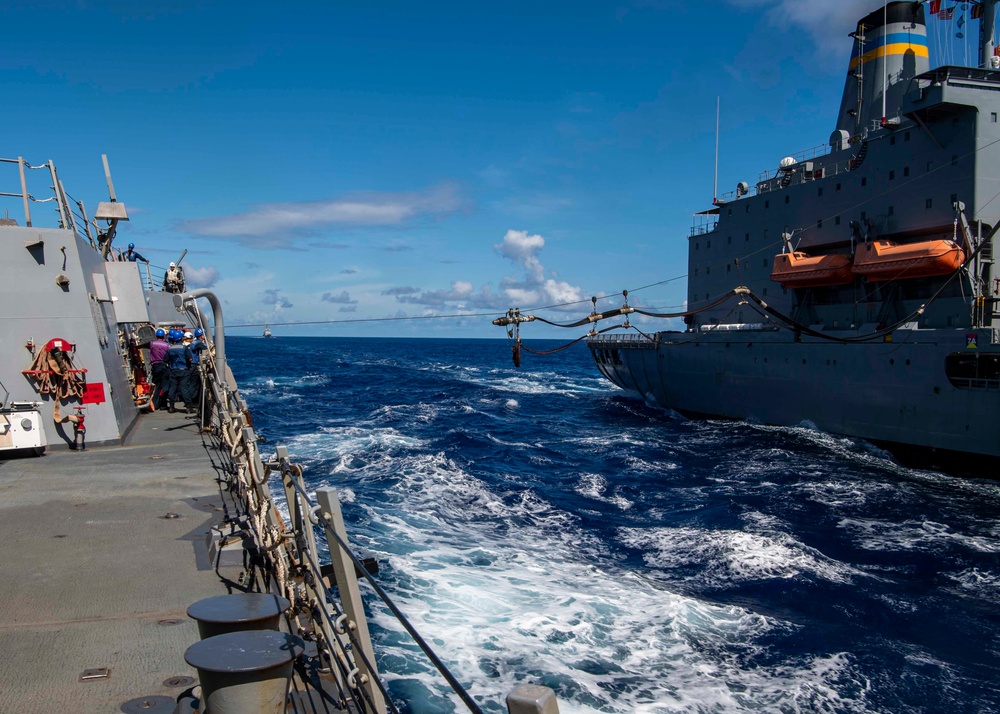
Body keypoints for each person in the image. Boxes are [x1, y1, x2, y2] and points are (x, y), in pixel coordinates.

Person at [165, 329, 193, 412]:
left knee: (172, 388)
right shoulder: (184, 348)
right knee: (184, 389)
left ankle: (171, 407)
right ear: (181, 339)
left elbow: (166, 359)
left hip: (173, 370)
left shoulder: (170, 348)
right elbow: (190, 359)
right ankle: (189, 407)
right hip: (184, 370)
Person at [148, 328, 170, 410]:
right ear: (163, 336)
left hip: (155, 366)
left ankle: (155, 404)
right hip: (164, 365)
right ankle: (163, 405)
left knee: (156, 385)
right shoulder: (167, 345)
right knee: (165, 385)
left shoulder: (152, 344)